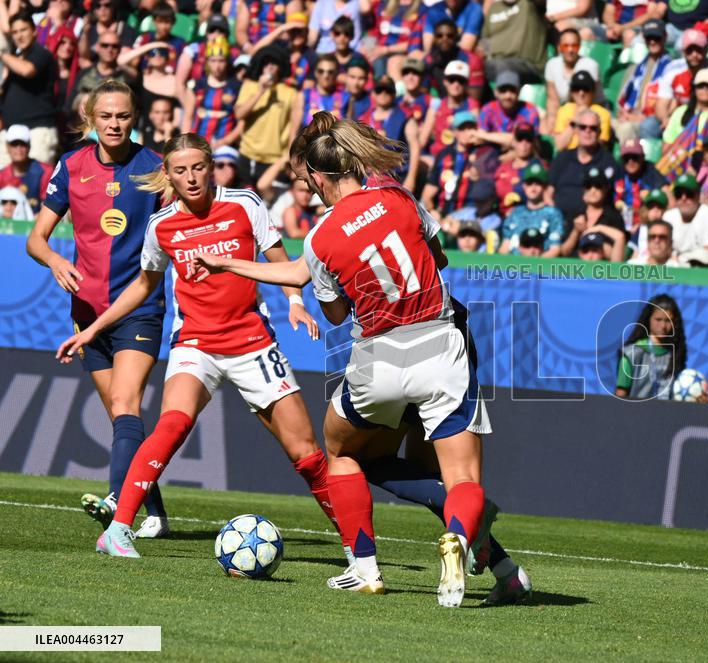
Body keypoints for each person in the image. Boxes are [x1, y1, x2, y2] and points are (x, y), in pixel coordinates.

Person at [194, 119, 497, 607]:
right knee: (462, 478)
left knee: (340, 450)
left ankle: (364, 566)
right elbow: (438, 260)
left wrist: (230, 263)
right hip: (440, 346)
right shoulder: (399, 198)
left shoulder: (320, 237)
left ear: (317, 176)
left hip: (378, 358)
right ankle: (460, 540)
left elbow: (334, 313)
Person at [54, 132, 335, 561]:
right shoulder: (161, 224)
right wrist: (94, 330)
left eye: (198, 167)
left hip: (251, 342)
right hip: (195, 344)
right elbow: (143, 285)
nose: (191, 177)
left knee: (307, 453)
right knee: (172, 425)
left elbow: (281, 259)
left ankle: (358, 549)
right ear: (167, 174)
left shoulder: (245, 203)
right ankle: (118, 530)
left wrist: (296, 303)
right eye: (180, 170)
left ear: (211, 167)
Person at [26, 80, 169, 538]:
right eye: (105, 116)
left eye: (123, 116)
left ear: (135, 118)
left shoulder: (155, 169)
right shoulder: (71, 165)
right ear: (91, 118)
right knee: (122, 418)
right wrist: (54, 260)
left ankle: (115, 508)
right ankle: (157, 514)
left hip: (139, 308)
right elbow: (36, 238)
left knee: (127, 403)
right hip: (86, 313)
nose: (114, 124)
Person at [1, 11, 60, 167]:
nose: (19, 36)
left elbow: (27, 70)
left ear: (34, 31)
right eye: (15, 32)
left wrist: (2, 55)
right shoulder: (13, 61)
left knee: (37, 185)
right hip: (10, 132)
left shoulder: (42, 54)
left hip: (38, 131)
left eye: (23, 30)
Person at [234, 46, 297, 187]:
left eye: (273, 63)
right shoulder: (249, 86)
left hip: (273, 161)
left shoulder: (290, 93)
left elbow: (293, 128)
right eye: (266, 62)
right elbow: (239, 114)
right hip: (247, 156)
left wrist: (288, 157)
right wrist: (261, 91)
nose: (269, 67)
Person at [549, 108, 621, 219]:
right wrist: (555, 217)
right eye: (583, 127)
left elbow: (612, 199)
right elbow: (548, 193)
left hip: (593, 223)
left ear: (599, 132)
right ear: (576, 130)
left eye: (593, 128)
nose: (588, 131)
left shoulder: (608, 162)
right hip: (559, 220)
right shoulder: (562, 158)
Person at [615, 294, 687, 399]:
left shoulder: (676, 355)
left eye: (668, 321)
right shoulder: (631, 355)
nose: (663, 326)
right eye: (658, 319)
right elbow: (620, 396)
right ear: (648, 319)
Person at [614, 19, 674, 141]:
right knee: (596, 118)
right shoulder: (634, 69)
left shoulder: (672, 68)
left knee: (628, 128)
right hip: (629, 116)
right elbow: (620, 100)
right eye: (648, 38)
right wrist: (624, 114)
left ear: (665, 37)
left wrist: (642, 118)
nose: (652, 42)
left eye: (656, 38)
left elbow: (672, 104)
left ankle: (629, 158)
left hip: (652, 119)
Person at [656, 29, 708, 118]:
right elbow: (661, 104)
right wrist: (666, 121)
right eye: (689, 50)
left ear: (706, 49)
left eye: (698, 49)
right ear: (683, 51)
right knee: (649, 125)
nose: (694, 54)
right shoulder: (672, 68)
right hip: (676, 117)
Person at [183, 37, 243, 149]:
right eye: (213, 61)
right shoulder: (197, 85)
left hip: (224, 146)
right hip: (197, 145)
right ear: (207, 62)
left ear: (227, 61)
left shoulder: (236, 87)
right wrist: (187, 143)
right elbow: (188, 117)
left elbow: (242, 122)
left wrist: (226, 141)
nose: (217, 66)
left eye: (221, 60)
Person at [561, 168, 627, 261]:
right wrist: (576, 231)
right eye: (588, 186)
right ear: (584, 190)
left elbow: (616, 256)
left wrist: (594, 232)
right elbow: (564, 252)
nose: (593, 190)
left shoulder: (614, 217)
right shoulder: (575, 214)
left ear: (606, 188)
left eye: (598, 186)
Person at [663, 173, 708, 267]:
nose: (683, 198)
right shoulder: (668, 216)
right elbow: (662, 252)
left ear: (698, 195)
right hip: (678, 268)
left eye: (689, 194)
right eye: (678, 194)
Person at [420, 60, 480, 160]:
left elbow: (475, 138)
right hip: (436, 158)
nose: (456, 84)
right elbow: (423, 140)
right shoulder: (436, 105)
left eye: (460, 81)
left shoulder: (472, 106)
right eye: (452, 80)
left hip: (462, 158)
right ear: (445, 82)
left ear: (466, 84)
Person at [500, 163, 565, 256]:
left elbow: (554, 249)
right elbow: (505, 246)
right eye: (529, 183)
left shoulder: (553, 214)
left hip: (540, 266)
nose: (533, 188)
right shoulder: (515, 213)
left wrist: (535, 267)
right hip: (513, 266)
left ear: (545, 187)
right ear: (524, 186)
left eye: (538, 184)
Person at [544, 28, 601, 131]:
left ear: (579, 46)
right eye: (565, 46)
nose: (570, 50)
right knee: (545, 124)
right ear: (559, 47)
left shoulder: (590, 65)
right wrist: (552, 119)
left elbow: (586, 99)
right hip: (566, 110)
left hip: (590, 109)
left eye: (574, 45)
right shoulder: (552, 64)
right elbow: (552, 99)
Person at [481, 0, 548, 82]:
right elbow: (485, 37)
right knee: (475, 67)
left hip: (528, 65)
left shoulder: (529, 4)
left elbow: (541, 3)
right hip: (495, 62)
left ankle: (507, 94)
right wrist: (487, 56)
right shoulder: (493, 8)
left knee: (503, 66)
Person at [477, 71, 541, 151]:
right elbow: (478, 139)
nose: (508, 96)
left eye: (512, 91)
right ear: (496, 93)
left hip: (522, 155)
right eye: (503, 91)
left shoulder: (529, 111)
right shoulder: (488, 109)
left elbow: (528, 144)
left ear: (519, 92)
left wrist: (486, 136)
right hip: (493, 153)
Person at [424, 19, 486, 101]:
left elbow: (474, 100)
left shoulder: (472, 60)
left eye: (450, 36)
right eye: (439, 36)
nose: (444, 39)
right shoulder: (429, 60)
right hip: (443, 106)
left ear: (457, 38)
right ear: (434, 38)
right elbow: (422, 91)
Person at [494, 123, 546, 215]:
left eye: (528, 140)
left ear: (533, 143)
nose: (524, 144)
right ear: (514, 142)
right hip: (503, 217)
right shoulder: (503, 168)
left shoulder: (540, 167)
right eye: (520, 139)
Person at [552, 70, 612, 151]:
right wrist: (574, 122)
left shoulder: (603, 114)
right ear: (571, 92)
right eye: (576, 89)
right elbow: (559, 146)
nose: (581, 93)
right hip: (567, 157)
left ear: (593, 91)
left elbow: (600, 146)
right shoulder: (564, 110)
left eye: (586, 89)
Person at [0, 125, 54, 214]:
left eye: (23, 144)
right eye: (14, 144)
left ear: (29, 146)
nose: (19, 148)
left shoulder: (45, 172)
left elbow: (51, 207)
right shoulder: (2, 175)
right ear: (7, 147)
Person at [614, 139, 666, 229]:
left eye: (634, 157)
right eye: (626, 158)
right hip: (621, 224)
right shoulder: (618, 173)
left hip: (646, 224)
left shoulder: (651, 171)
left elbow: (667, 195)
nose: (630, 161)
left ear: (642, 157)